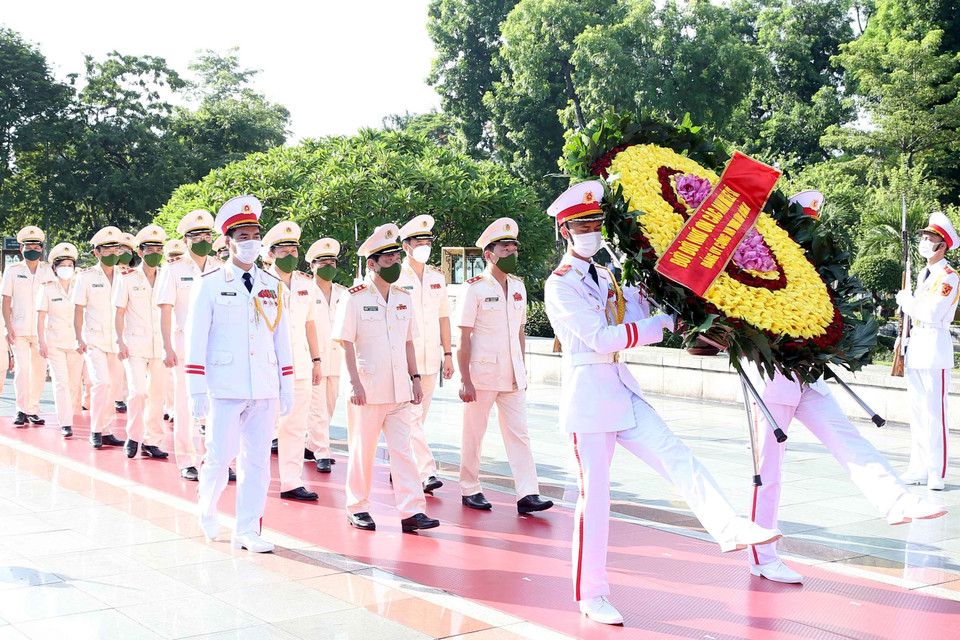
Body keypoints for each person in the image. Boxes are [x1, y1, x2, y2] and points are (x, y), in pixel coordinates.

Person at [543, 181, 783, 625]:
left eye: (596, 222)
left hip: (620, 388)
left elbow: (639, 307)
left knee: (677, 455)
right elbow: (599, 338)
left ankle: (727, 525)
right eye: (582, 225)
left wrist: (674, 297)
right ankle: (590, 593)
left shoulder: (607, 274)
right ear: (565, 231)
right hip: (589, 399)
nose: (592, 231)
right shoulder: (559, 285)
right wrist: (661, 322)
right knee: (594, 499)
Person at [744, 365, 948, 584]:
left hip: (808, 378)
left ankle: (899, 500)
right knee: (768, 472)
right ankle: (763, 557)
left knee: (849, 440)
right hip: (771, 383)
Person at [186, 195, 294, 553]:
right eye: (242, 235)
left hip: (263, 387)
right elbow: (196, 336)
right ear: (228, 240)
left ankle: (247, 529)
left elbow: (282, 339)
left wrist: (287, 386)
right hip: (225, 386)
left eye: (254, 234)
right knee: (219, 455)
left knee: (258, 463)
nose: (250, 242)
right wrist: (196, 388)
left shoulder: (272, 284)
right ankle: (207, 506)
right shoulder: (211, 282)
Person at [333, 223, 439, 533]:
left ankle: (411, 511)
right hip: (367, 388)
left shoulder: (403, 297)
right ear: (372, 264)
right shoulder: (353, 298)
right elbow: (345, 342)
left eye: (396, 259)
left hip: (399, 389)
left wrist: (415, 378)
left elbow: (408, 341)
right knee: (362, 450)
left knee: (403, 451)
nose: (394, 265)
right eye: (388, 260)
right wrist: (353, 382)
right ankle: (357, 507)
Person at [456, 218, 553, 515]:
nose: (511, 252)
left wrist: (521, 368)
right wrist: (465, 379)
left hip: (512, 375)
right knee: (474, 433)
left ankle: (528, 494)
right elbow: (463, 336)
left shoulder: (519, 287)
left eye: (514, 248)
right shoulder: (473, 289)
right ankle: (470, 487)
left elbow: (520, 332)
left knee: (519, 434)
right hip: (482, 374)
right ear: (489, 254)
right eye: (505, 248)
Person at [156, 209, 223, 481]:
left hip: (216, 347)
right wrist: (166, 347)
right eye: (198, 236)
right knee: (184, 405)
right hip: (184, 346)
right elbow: (165, 310)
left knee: (217, 404)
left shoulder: (220, 268)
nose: (204, 240)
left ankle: (216, 458)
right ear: (186, 241)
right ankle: (186, 459)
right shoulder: (173, 269)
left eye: (208, 235)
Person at [897, 211, 960, 491]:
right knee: (918, 413)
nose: (924, 241)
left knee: (935, 413)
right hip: (918, 345)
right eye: (923, 237)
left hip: (935, 344)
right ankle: (918, 467)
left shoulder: (949, 277)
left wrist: (907, 302)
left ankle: (937, 472)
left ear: (942, 244)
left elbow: (933, 313)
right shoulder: (923, 274)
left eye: (929, 238)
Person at [263, 221, 323, 501]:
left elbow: (310, 325)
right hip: (267, 365)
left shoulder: (305, 283)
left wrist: (317, 360)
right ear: (271, 254)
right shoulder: (260, 281)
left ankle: (290, 481)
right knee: (262, 426)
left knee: (295, 426)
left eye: (293, 250)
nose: (290, 255)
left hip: (300, 364)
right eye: (284, 251)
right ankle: (253, 477)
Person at [396, 215, 453, 494]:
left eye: (428, 241)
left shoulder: (436, 277)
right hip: (405, 360)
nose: (425, 246)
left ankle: (403, 465)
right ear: (406, 246)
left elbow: (444, 317)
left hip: (431, 360)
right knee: (412, 417)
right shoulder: (396, 276)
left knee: (419, 417)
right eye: (420, 242)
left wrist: (449, 354)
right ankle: (427, 472)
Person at [115, 225, 169, 460]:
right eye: (150, 249)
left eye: (158, 248)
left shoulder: (168, 276)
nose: (154, 253)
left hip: (160, 346)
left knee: (158, 394)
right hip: (135, 344)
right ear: (140, 252)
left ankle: (151, 440)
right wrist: (119, 341)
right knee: (138, 393)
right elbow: (118, 312)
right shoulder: (127, 278)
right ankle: (133, 436)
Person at [72, 226, 127, 449]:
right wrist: (78, 337)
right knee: (100, 383)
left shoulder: (126, 275)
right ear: (97, 252)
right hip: (94, 339)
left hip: (118, 340)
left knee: (114, 387)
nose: (113, 253)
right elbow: (78, 309)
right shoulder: (86, 276)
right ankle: (95, 430)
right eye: (107, 250)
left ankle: (106, 430)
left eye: (116, 249)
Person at [2, 225, 54, 427]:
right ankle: (21, 410)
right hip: (19, 329)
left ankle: (33, 409)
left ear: (41, 249)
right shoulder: (13, 270)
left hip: (41, 332)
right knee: (23, 370)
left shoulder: (48, 270)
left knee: (39, 371)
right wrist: (8, 327)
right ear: (21, 249)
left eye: (36, 245)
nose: (33, 248)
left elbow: (52, 300)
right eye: (28, 245)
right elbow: (6, 300)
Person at [304, 237, 345, 473]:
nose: (328, 266)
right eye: (323, 262)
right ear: (312, 266)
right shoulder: (305, 292)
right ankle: (322, 452)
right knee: (316, 407)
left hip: (336, 359)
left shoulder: (342, 293)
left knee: (329, 405)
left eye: (332, 261)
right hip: (314, 358)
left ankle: (312, 445)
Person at [36, 242, 83, 437]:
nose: (66, 269)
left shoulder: (80, 285)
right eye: (62, 265)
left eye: (69, 265)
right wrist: (41, 342)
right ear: (54, 268)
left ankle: (70, 415)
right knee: (60, 382)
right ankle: (65, 422)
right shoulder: (47, 288)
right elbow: (40, 316)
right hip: (54, 342)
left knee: (73, 384)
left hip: (76, 343)